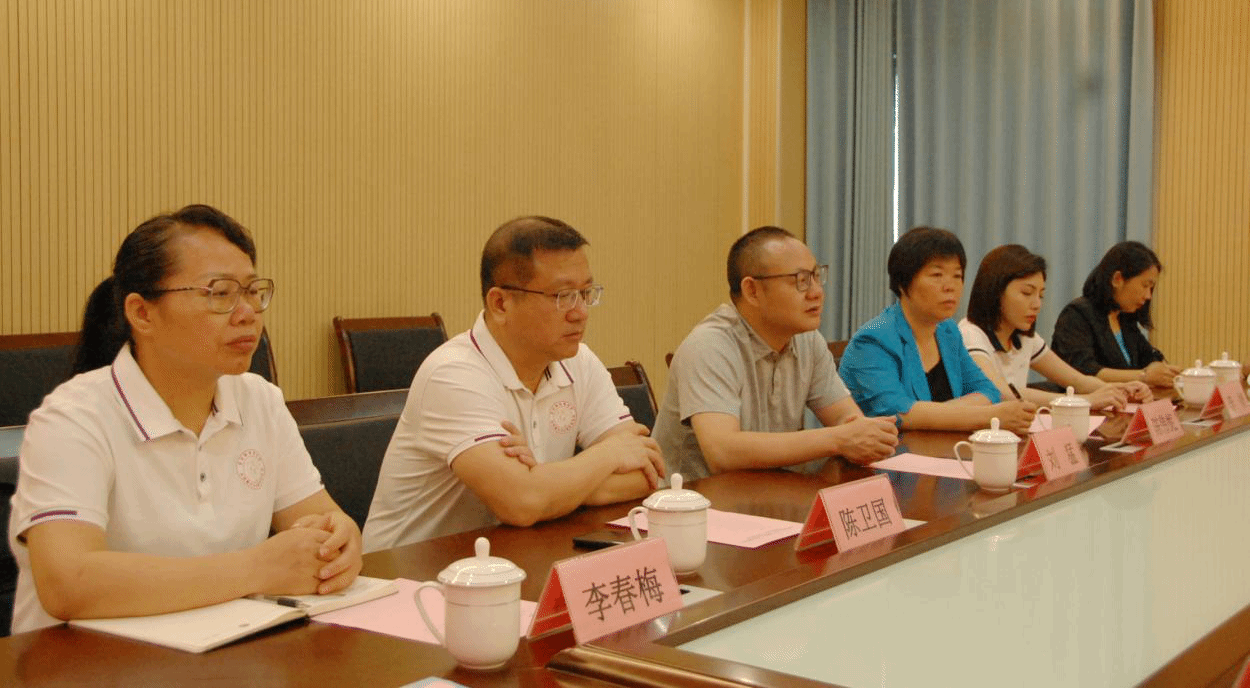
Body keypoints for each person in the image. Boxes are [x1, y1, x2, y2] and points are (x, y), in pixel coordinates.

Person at [8, 205, 361, 634]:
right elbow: (68, 584)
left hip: (224, 650)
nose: (248, 312)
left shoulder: (260, 401)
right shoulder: (72, 418)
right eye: (220, 293)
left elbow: (319, 519)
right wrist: (257, 568)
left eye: (253, 291)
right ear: (142, 313)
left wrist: (340, 540)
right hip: (85, 659)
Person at [362, 216, 665, 550]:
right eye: (563, 295)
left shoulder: (578, 361)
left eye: (585, 293)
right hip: (405, 572)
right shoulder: (453, 374)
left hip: (509, 557)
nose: (581, 312)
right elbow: (522, 504)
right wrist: (608, 455)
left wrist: (543, 484)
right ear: (501, 303)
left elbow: (648, 472)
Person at [651, 227, 898, 483]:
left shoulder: (807, 340)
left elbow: (844, 418)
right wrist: (839, 439)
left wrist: (861, 432)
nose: (816, 292)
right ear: (752, 291)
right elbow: (723, 451)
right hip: (694, 498)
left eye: (816, 276)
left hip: (771, 489)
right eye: (800, 280)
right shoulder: (710, 345)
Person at [838, 227, 1037, 434]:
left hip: (942, 448)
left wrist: (935, 415)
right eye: (937, 275)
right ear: (903, 283)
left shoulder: (947, 331)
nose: (950, 286)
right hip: (889, 451)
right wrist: (988, 417)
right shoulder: (873, 339)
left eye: (957, 275)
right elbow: (897, 412)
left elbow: (988, 391)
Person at [959, 245, 1151, 411]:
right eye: (1027, 293)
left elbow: (1077, 380)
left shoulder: (1025, 337)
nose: (1037, 304)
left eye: (1041, 295)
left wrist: (1120, 390)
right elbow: (1000, 392)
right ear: (995, 291)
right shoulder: (970, 333)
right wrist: (1083, 401)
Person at [1051, 241, 1180, 388]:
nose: (1148, 296)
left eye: (1151, 288)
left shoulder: (1125, 317)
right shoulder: (1076, 315)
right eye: (1145, 285)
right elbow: (1084, 371)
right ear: (1117, 279)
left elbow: (1147, 356)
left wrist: (1163, 370)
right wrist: (1144, 376)